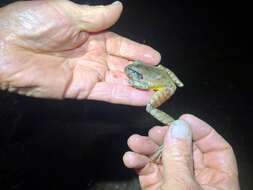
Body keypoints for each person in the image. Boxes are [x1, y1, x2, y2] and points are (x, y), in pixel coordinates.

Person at [0, 1, 240, 190]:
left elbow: (144, 85)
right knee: (152, 76)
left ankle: (174, 125)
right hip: (165, 75)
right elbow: (143, 71)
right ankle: (175, 90)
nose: (131, 70)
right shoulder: (137, 67)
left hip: (164, 86)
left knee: (149, 108)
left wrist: (138, 81)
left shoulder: (143, 79)